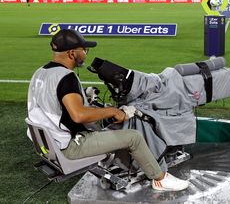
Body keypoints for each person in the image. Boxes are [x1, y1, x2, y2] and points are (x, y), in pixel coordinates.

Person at [27, 29, 188, 191]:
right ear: (71, 53)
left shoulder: (40, 73)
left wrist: (89, 101)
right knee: (134, 137)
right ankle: (160, 179)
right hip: (69, 147)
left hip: (48, 145)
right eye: (84, 50)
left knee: (107, 126)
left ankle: (121, 165)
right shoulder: (66, 77)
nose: (85, 54)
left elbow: (55, 105)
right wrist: (113, 111)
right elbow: (79, 115)